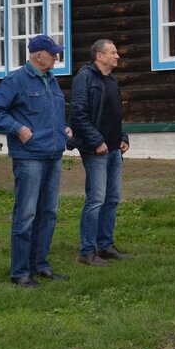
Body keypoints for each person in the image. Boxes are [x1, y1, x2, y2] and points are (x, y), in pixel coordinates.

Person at [0, 34, 73, 288]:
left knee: (49, 213)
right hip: (29, 157)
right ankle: (20, 272)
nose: (56, 57)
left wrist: (64, 128)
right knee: (26, 215)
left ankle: (40, 265)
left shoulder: (52, 81)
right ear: (38, 55)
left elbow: (51, 114)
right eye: (52, 53)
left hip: (53, 154)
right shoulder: (17, 80)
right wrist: (18, 129)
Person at [71, 39, 131, 267]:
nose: (117, 56)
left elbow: (115, 115)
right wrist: (96, 141)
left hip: (114, 149)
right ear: (99, 56)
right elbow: (78, 114)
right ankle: (87, 251)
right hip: (96, 150)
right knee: (96, 198)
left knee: (112, 198)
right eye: (113, 52)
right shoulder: (84, 78)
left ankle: (105, 246)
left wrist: (123, 137)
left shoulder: (111, 80)